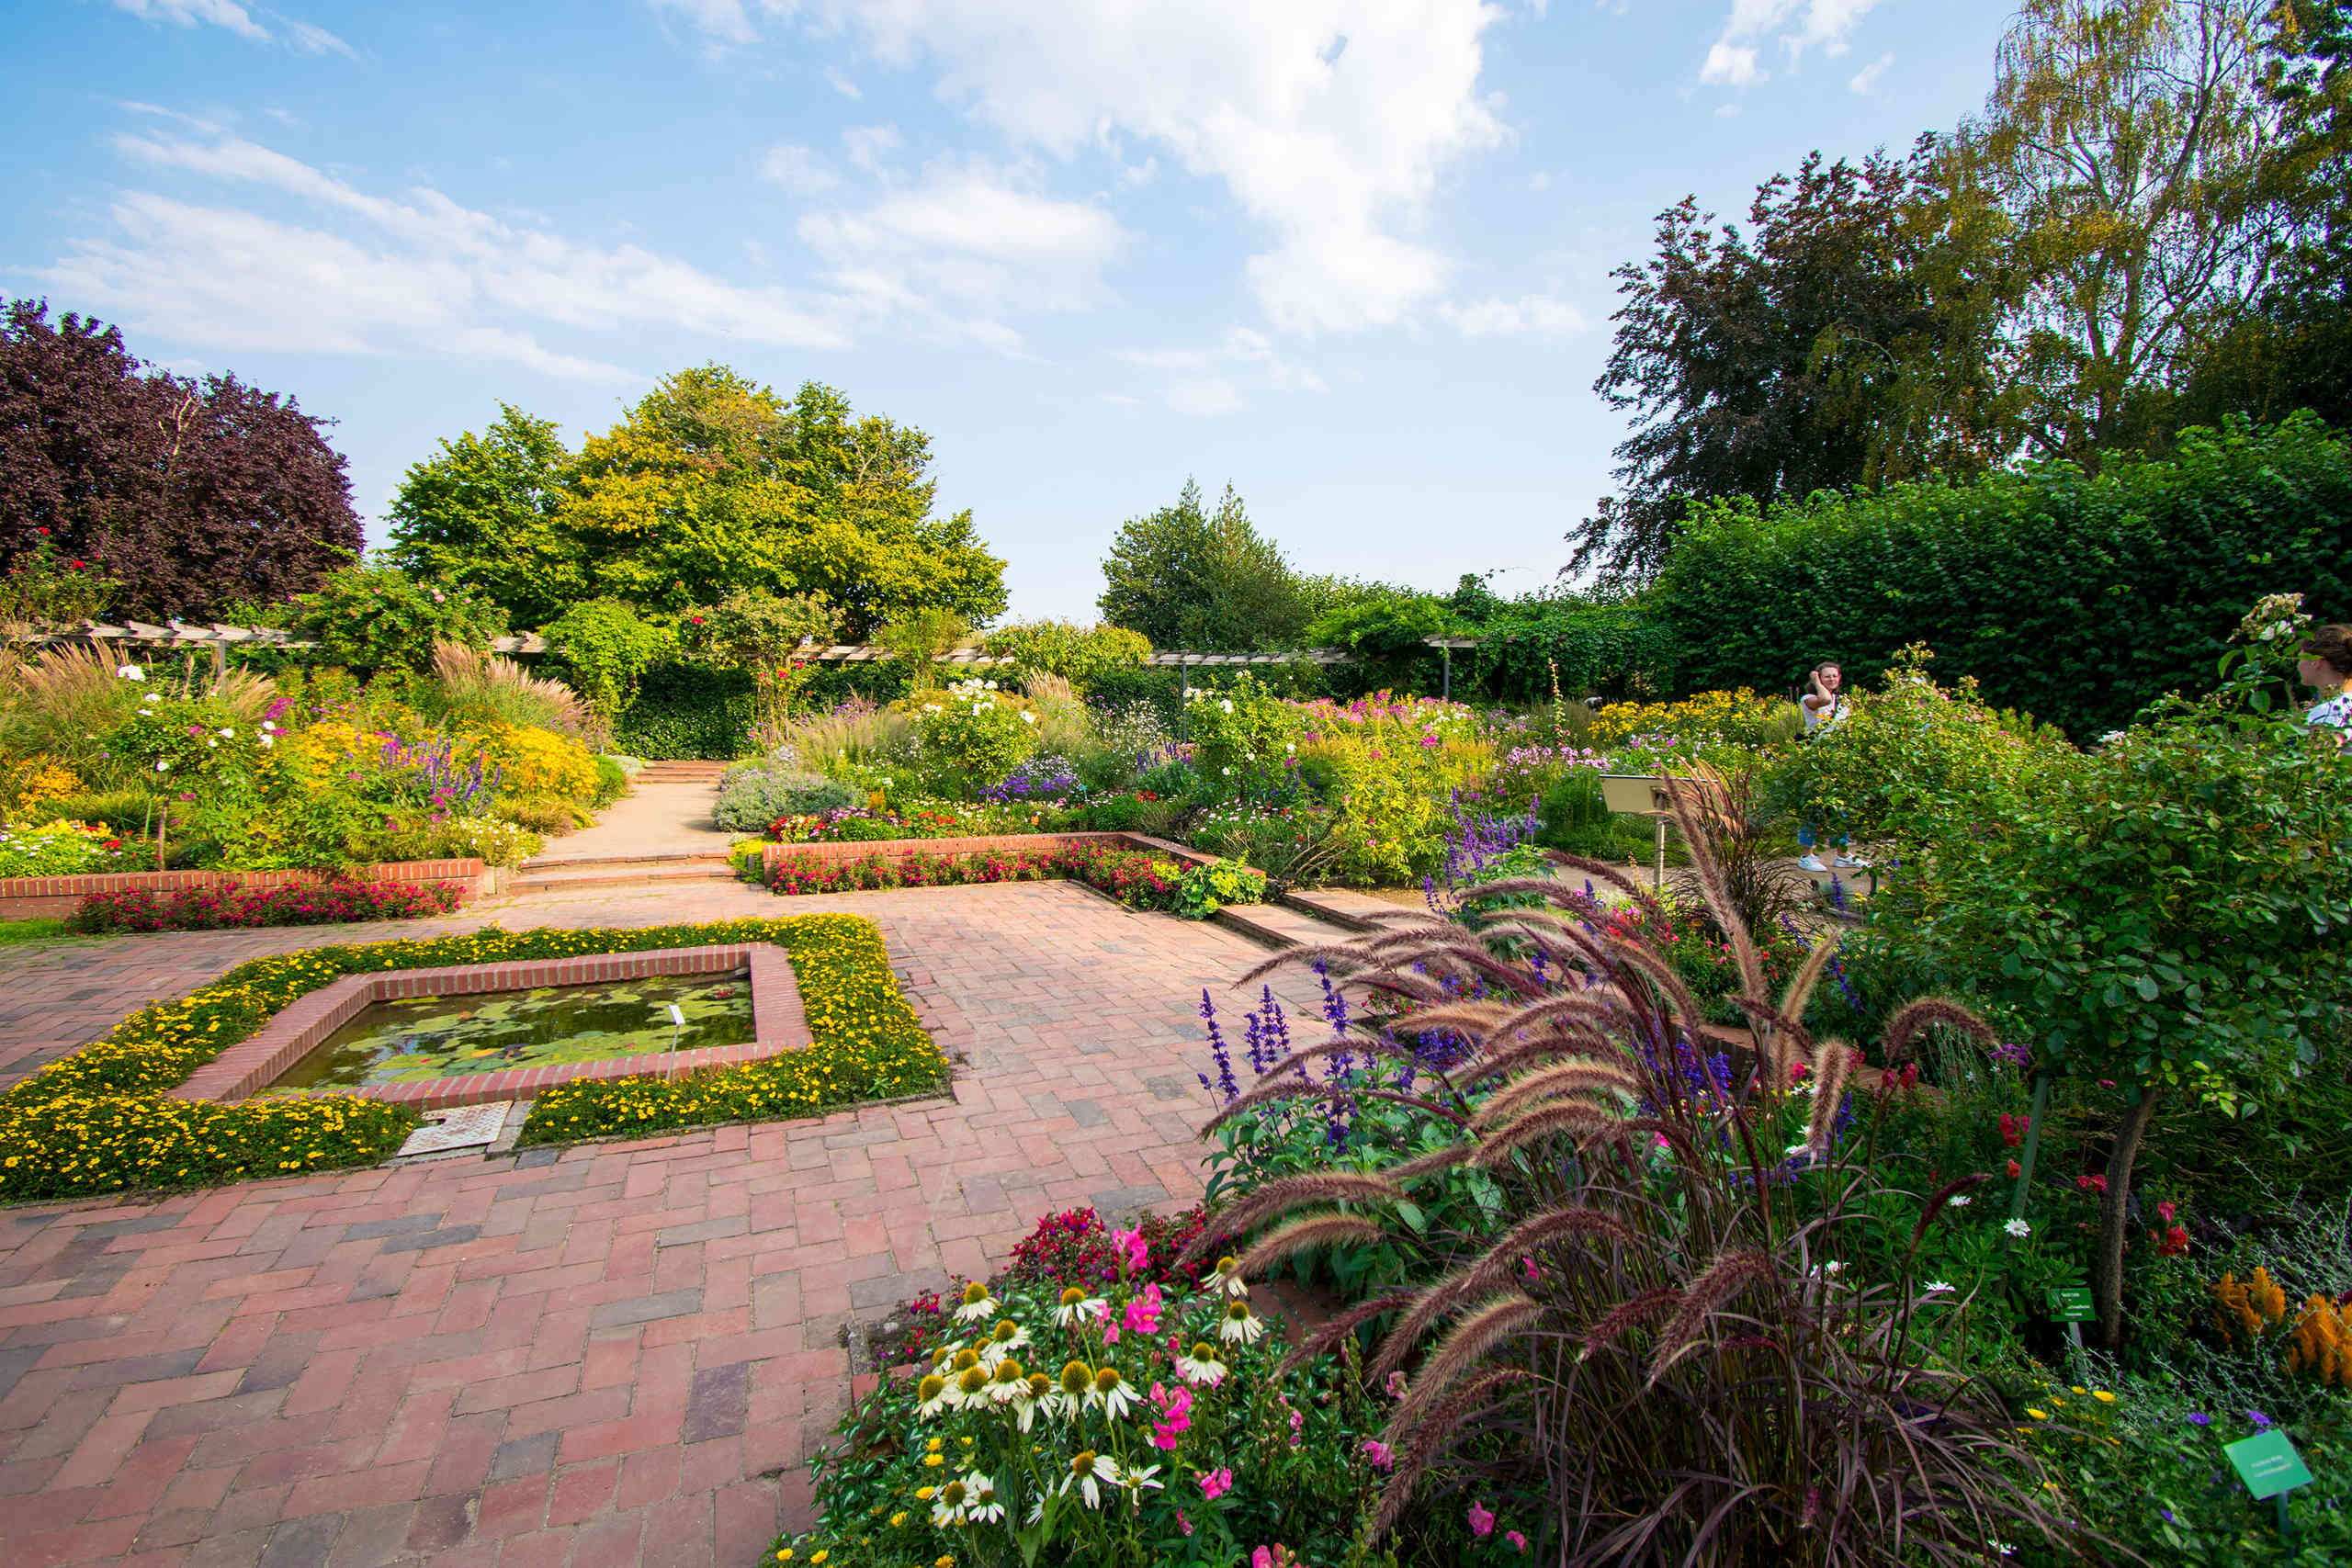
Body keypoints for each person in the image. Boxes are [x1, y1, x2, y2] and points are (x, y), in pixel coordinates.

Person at [1796, 660, 1866, 874]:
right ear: (1817, 678)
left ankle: (1843, 855)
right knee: (1814, 808)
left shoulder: (1843, 702)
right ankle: (1806, 856)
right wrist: (1816, 681)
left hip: (1838, 759)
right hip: (1816, 760)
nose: (1832, 679)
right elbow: (1824, 698)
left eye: (1835, 676)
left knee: (1840, 809)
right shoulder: (1810, 699)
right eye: (1827, 676)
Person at [2299, 624, 2352, 740]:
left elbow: (2320, 756)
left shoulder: (2329, 712)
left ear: (2315, 662)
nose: (2298, 665)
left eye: (2300, 658)